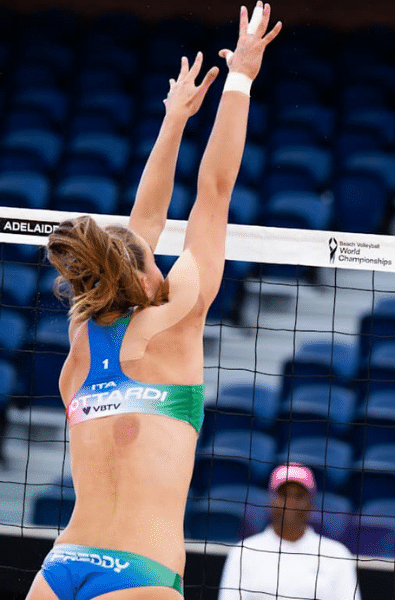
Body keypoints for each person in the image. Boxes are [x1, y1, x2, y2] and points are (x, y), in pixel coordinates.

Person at [25, 4, 281, 599]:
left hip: (63, 563)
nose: (159, 258)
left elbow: (144, 220)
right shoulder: (179, 314)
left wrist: (173, 122)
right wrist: (239, 79)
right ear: (140, 279)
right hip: (139, 570)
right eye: (151, 258)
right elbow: (214, 190)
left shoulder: (85, 334)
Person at [218, 463, 362, 600]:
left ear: (311, 504)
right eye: (284, 495)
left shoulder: (337, 554)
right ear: (271, 501)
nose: (291, 503)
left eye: (299, 496)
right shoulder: (243, 552)